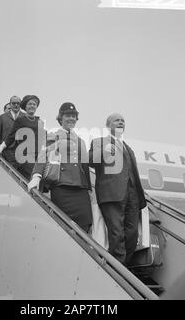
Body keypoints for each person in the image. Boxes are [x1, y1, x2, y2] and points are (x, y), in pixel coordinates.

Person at [89, 113, 146, 266]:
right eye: (116, 120)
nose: (120, 122)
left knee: (132, 234)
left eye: (122, 121)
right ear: (108, 126)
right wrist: (104, 151)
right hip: (112, 195)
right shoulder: (99, 142)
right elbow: (90, 161)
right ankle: (118, 270)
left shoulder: (128, 148)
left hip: (132, 196)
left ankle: (121, 266)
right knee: (116, 234)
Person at [28, 102, 93, 233]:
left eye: (74, 116)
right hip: (62, 186)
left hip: (80, 188)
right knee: (63, 225)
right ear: (61, 118)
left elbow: (85, 167)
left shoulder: (81, 141)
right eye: (68, 115)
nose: (71, 118)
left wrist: (89, 188)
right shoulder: (54, 135)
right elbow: (43, 155)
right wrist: (36, 176)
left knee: (85, 223)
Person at [0, 95, 45, 180]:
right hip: (24, 158)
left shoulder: (40, 122)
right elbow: (11, 136)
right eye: (30, 104)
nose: (32, 106)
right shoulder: (20, 120)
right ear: (25, 106)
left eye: (34, 104)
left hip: (37, 157)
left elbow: (41, 140)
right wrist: (2, 146)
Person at [0, 95, 22, 166]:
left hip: (22, 151)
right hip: (7, 151)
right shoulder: (2, 117)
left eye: (18, 103)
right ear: (10, 104)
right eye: (13, 103)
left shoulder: (25, 116)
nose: (16, 105)